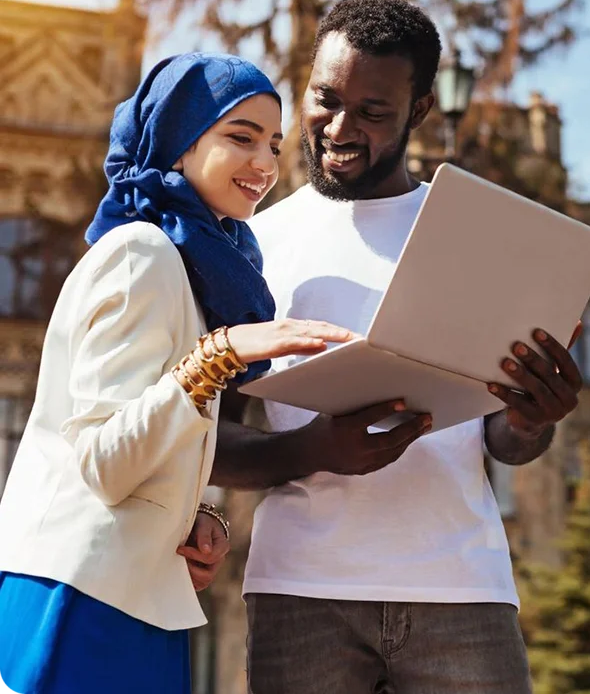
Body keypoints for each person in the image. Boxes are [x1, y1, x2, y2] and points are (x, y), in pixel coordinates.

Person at [211, 0, 583, 693]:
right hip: (300, 592)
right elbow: (207, 440)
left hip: (462, 589)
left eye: (373, 112)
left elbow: (504, 442)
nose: (339, 127)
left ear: (418, 110)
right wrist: (311, 450)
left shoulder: (479, 238)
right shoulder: (252, 246)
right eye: (325, 98)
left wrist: (533, 417)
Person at [0, 53, 352, 692]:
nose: (266, 165)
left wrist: (197, 518)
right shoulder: (143, 251)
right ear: (177, 145)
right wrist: (218, 356)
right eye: (239, 138)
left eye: (273, 144)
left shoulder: (192, 268)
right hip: (80, 597)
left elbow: (142, 452)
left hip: (132, 595)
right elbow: (105, 460)